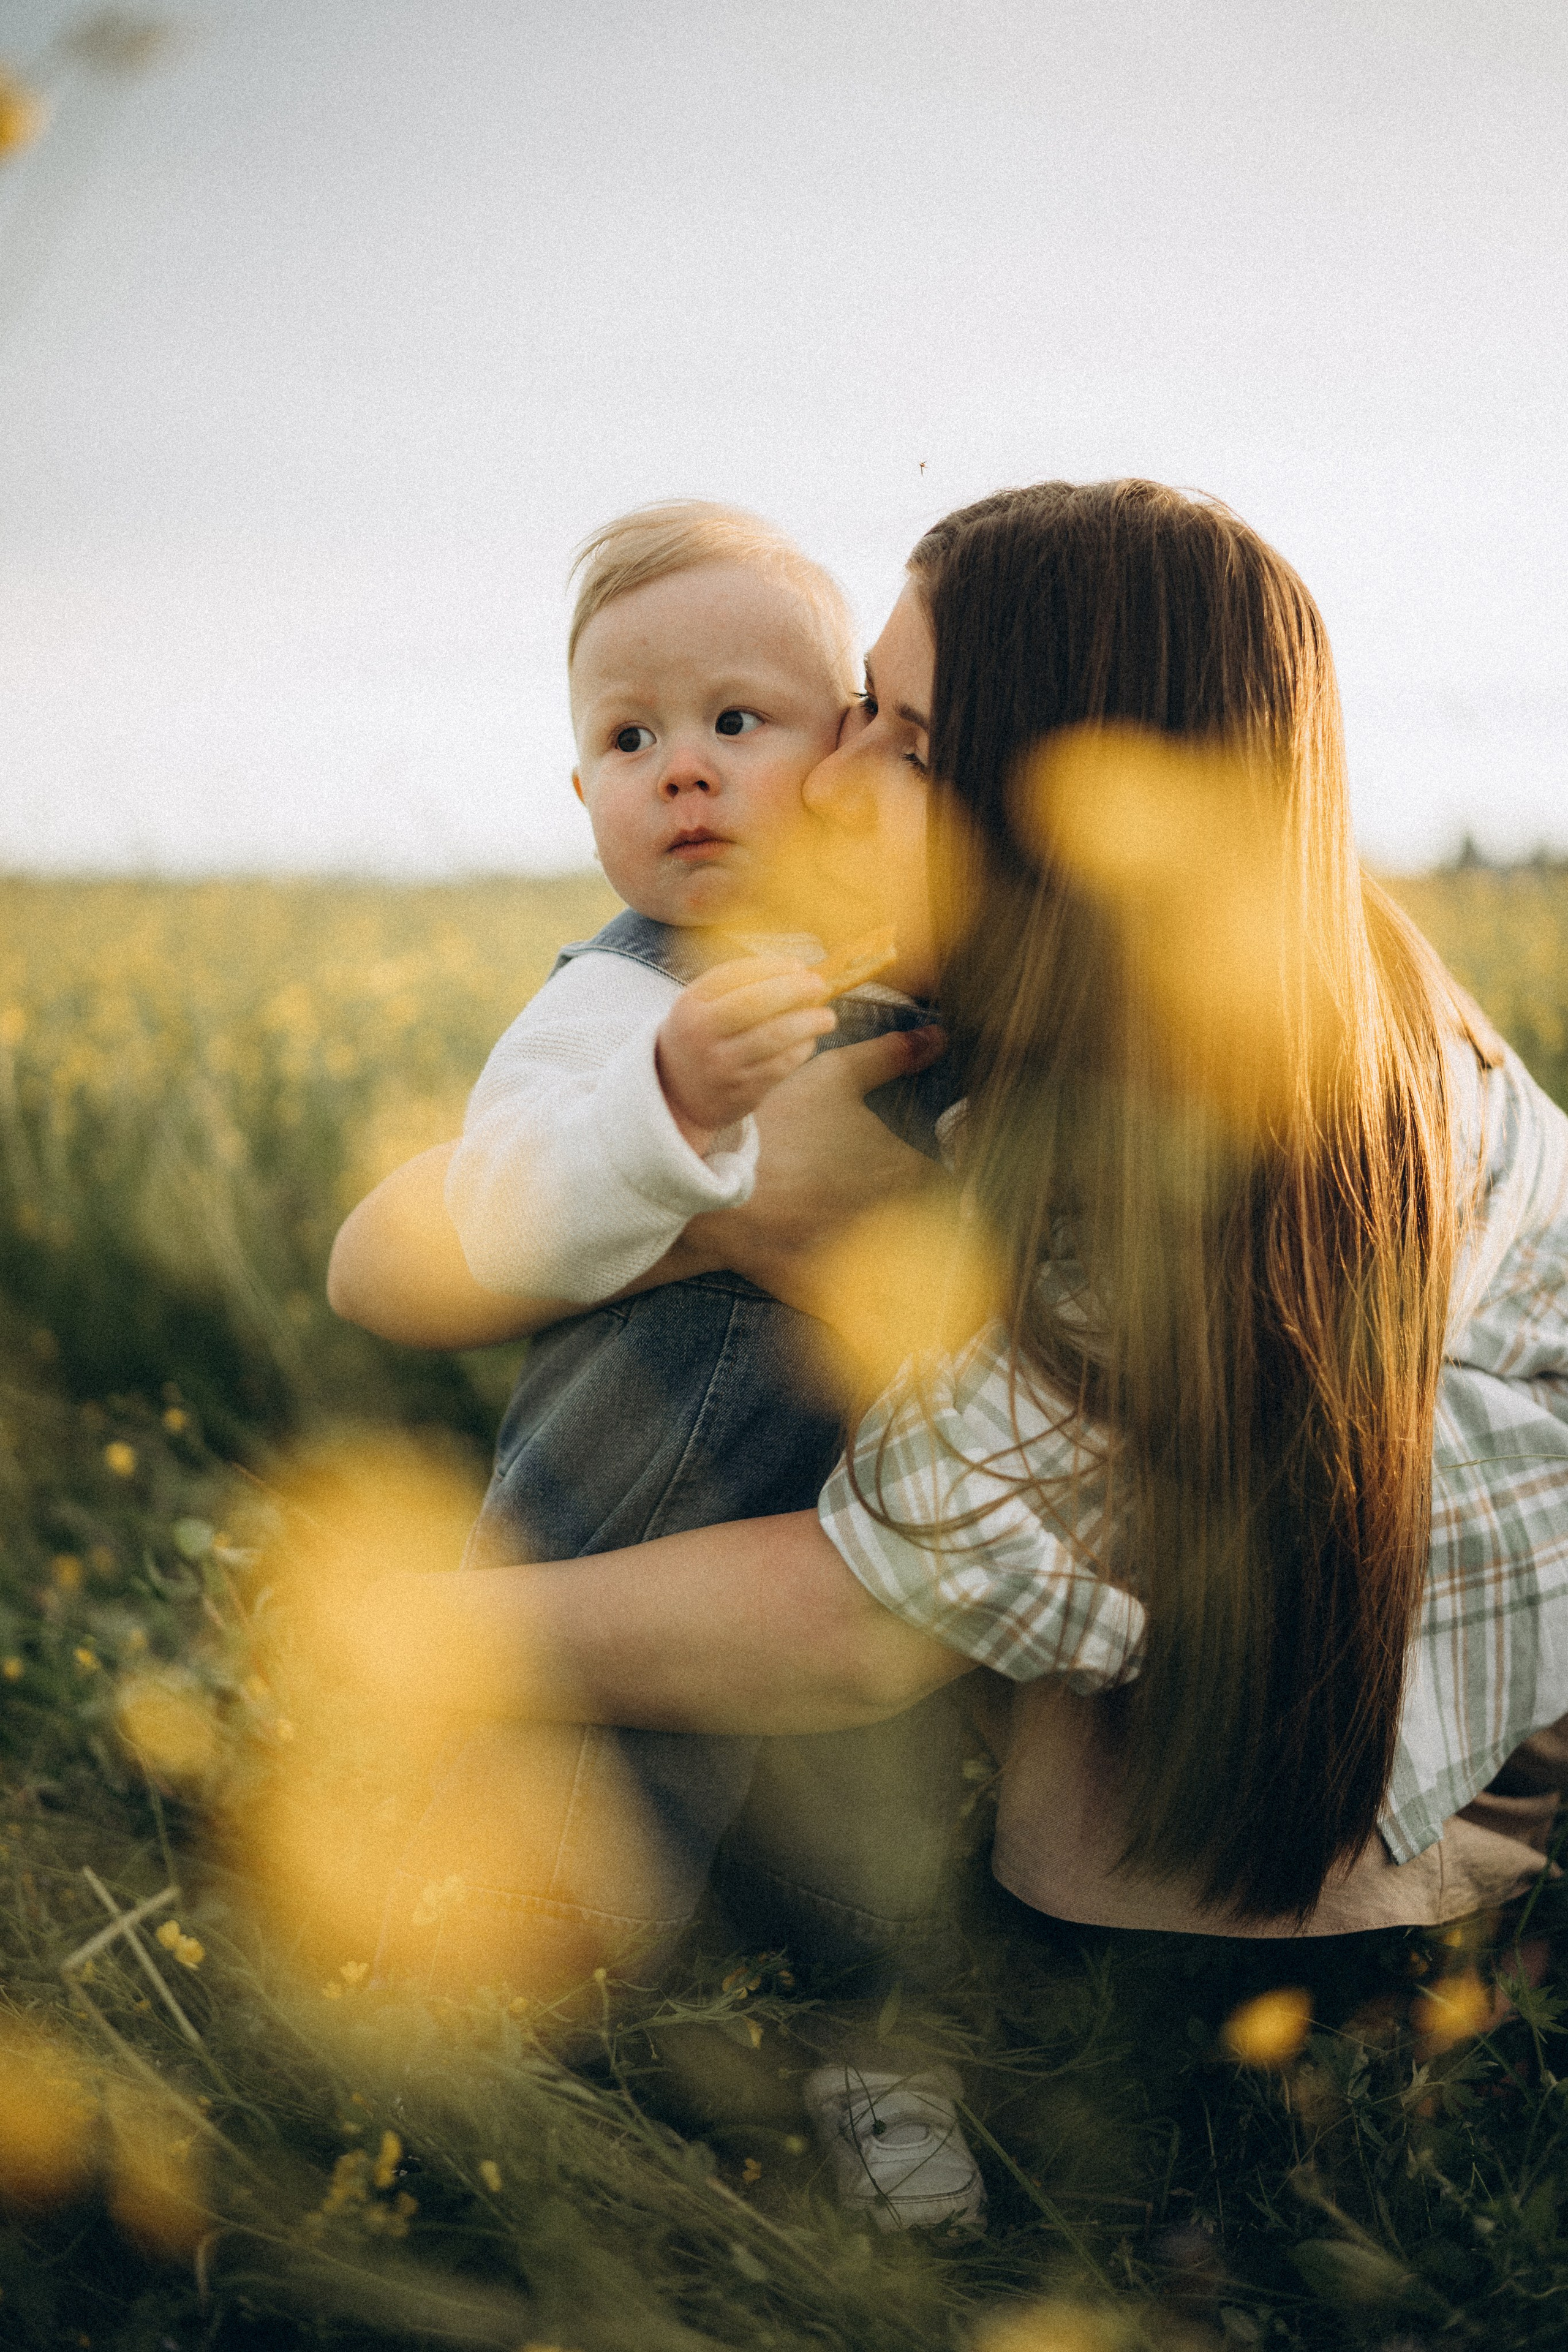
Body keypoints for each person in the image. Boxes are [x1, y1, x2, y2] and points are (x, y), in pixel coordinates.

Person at [336, 479, 1568, 1966]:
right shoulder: (987, 965)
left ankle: (1277, 1993)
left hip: (1430, 1679)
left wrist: (410, 1634)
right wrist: (694, 1184)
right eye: (857, 707)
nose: (833, 782)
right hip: (1077, 1498)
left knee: (1084, 1832)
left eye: (905, 743)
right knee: (688, 1232)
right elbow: (391, 1253)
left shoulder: (1213, 1125)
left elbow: (865, 1617)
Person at [331, 499, 986, 2231]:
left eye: (736, 725)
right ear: (581, 797)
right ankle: (491, 2139)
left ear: (849, 750)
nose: (680, 773)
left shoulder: (902, 965)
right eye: (630, 740)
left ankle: (871, 2068)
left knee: (857, 1863)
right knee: (564, 1867)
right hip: (614, 1534)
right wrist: (677, 1117)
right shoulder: (607, 1012)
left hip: (830, 1530)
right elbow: (502, 1214)